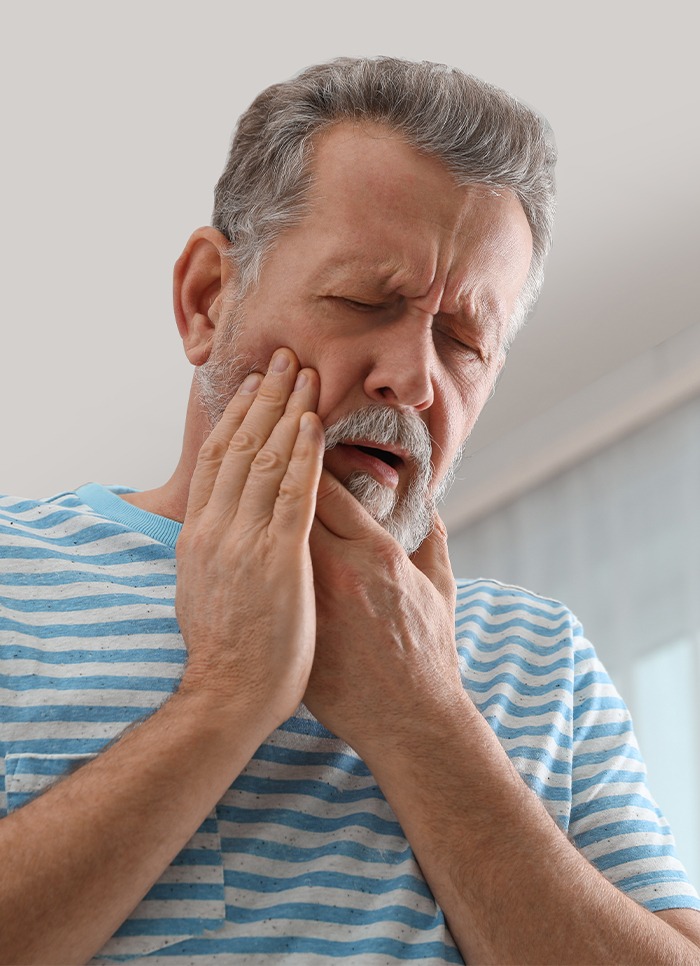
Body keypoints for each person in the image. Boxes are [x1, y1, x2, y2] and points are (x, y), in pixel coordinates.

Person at [1, 56, 699, 965]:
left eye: (464, 342)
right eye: (365, 301)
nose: (412, 380)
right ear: (208, 299)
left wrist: (421, 713)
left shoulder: (541, 657)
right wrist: (228, 694)